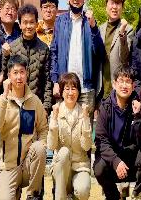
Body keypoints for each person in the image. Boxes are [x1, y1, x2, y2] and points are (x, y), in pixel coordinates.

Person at [0, 55, 48, 200]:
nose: (19, 77)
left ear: (27, 74)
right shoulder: (1, 101)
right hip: (9, 167)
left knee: (39, 148)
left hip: (28, 165)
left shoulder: (35, 101)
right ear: (9, 76)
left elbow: (43, 129)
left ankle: (32, 195)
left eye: (22, 72)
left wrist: (42, 144)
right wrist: (4, 96)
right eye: (15, 73)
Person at [93, 65, 141, 200]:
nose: (124, 85)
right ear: (114, 84)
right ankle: (114, 196)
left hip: (133, 157)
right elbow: (101, 140)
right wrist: (115, 161)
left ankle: (138, 192)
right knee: (99, 168)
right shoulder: (105, 107)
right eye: (121, 81)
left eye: (128, 82)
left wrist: (137, 117)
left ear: (133, 86)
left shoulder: (139, 106)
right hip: (114, 157)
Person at [51, 0, 106, 116]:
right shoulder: (60, 21)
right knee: (63, 127)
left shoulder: (90, 22)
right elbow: (54, 53)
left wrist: (93, 27)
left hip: (86, 88)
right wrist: (55, 81)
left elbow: (100, 52)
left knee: (85, 128)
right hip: (64, 87)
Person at [47, 72, 92, 200]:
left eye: (74, 88)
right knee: (64, 152)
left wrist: (86, 119)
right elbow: (51, 145)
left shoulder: (84, 112)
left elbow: (87, 146)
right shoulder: (56, 112)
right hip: (61, 168)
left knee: (82, 191)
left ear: (78, 92)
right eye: (67, 89)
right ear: (61, 92)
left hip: (80, 166)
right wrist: (54, 119)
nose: (70, 93)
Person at [3, 3, 52, 114]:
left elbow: (47, 81)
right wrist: (5, 57)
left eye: (32, 22)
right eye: (25, 22)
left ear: (36, 24)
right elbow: (6, 74)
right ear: (20, 24)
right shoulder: (12, 48)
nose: (28, 26)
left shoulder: (44, 49)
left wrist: (46, 107)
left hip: (37, 105)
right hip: (15, 105)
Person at [99, 0, 134, 98]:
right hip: (100, 88)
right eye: (112, 3)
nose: (114, 7)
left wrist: (122, 33)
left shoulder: (128, 29)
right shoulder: (100, 29)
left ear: (122, 7)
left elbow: (125, 58)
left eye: (118, 3)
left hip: (118, 89)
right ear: (106, 6)